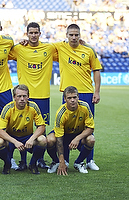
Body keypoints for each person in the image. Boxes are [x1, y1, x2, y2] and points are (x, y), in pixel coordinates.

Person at [8, 22, 58, 170]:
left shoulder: (48, 48)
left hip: (42, 95)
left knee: (41, 129)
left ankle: (39, 160)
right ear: (27, 34)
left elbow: (67, 49)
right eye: (31, 33)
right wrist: (17, 42)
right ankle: (22, 161)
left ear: (40, 34)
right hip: (24, 96)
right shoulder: (19, 49)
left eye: (36, 32)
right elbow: (5, 52)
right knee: (23, 128)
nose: (34, 35)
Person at [53, 24, 101, 170]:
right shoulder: (60, 48)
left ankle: (89, 160)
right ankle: (65, 160)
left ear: (80, 36)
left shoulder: (88, 50)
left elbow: (97, 70)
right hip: (68, 94)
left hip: (86, 92)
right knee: (67, 127)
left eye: (76, 35)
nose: (74, 37)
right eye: (71, 35)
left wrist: (97, 91)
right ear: (66, 35)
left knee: (87, 127)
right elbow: (41, 46)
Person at [0, 84, 46, 174]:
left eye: (24, 96)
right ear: (14, 97)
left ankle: (32, 164)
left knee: (43, 140)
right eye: (19, 96)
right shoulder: (8, 108)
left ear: (28, 97)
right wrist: (15, 142)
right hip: (11, 138)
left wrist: (31, 139)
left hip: (27, 137)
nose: (22, 99)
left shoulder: (33, 106)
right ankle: (7, 163)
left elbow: (41, 127)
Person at [46, 86, 95, 175]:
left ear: (78, 97)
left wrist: (77, 138)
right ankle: (56, 162)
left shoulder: (85, 107)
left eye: (74, 97)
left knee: (91, 139)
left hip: (78, 134)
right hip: (64, 135)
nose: (72, 100)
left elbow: (90, 128)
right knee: (49, 140)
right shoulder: (61, 113)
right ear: (65, 99)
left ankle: (79, 162)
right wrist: (61, 161)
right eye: (69, 98)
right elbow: (59, 138)